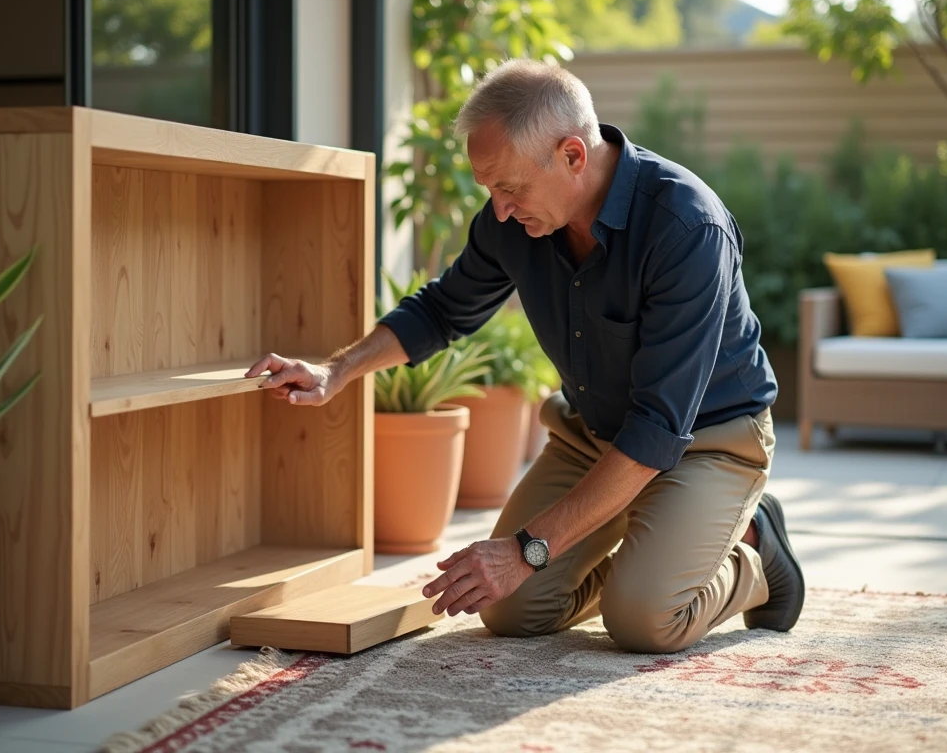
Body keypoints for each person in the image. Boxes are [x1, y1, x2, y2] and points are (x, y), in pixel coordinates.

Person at [244, 58, 804, 654]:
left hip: (707, 439)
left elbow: (660, 427)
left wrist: (528, 549)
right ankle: (660, 556)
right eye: (490, 191)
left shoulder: (687, 229)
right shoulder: (515, 219)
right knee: (509, 608)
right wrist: (337, 370)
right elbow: (443, 309)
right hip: (595, 435)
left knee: (644, 621)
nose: (500, 210)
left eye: (509, 188)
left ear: (572, 155)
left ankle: (753, 550)